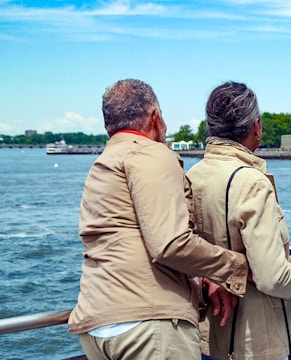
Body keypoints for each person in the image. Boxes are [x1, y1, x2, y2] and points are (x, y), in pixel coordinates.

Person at [68, 78, 249, 360]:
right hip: (146, 325)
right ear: (155, 116)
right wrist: (237, 267)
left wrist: (202, 280)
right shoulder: (149, 153)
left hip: (98, 325)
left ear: (108, 126)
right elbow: (170, 244)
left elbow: (133, 241)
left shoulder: (104, 162)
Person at [187, 81, 291, 360]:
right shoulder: (252, 182)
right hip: (258, 341)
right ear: (256, 126)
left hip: (207, 335)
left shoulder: (192, 175)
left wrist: (210, 278)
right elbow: (272, 276)